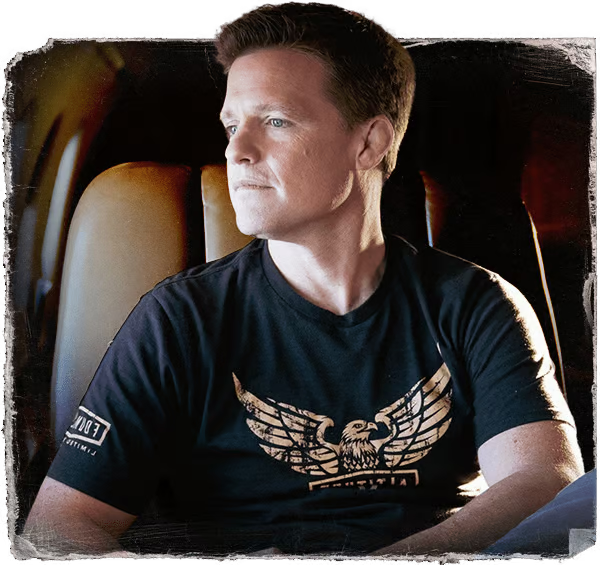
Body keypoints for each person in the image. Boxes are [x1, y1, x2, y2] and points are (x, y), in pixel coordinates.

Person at [22, 2, 584, 556]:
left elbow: (546, 482)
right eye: (232, 125)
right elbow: (58, 528)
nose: (237, 151)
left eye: (275, 121)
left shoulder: (479, 304)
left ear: (369, 143)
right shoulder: (178, 320)